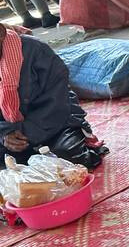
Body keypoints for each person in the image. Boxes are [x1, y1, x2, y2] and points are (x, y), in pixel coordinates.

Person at [0, 23, 106, 168]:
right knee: (13, 164)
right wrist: (4, 134)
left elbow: (57, 101)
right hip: (10, 131)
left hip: (56, 122)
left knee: (65, 158)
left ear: (1, 34)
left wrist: (24, 133)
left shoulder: (35, 49)